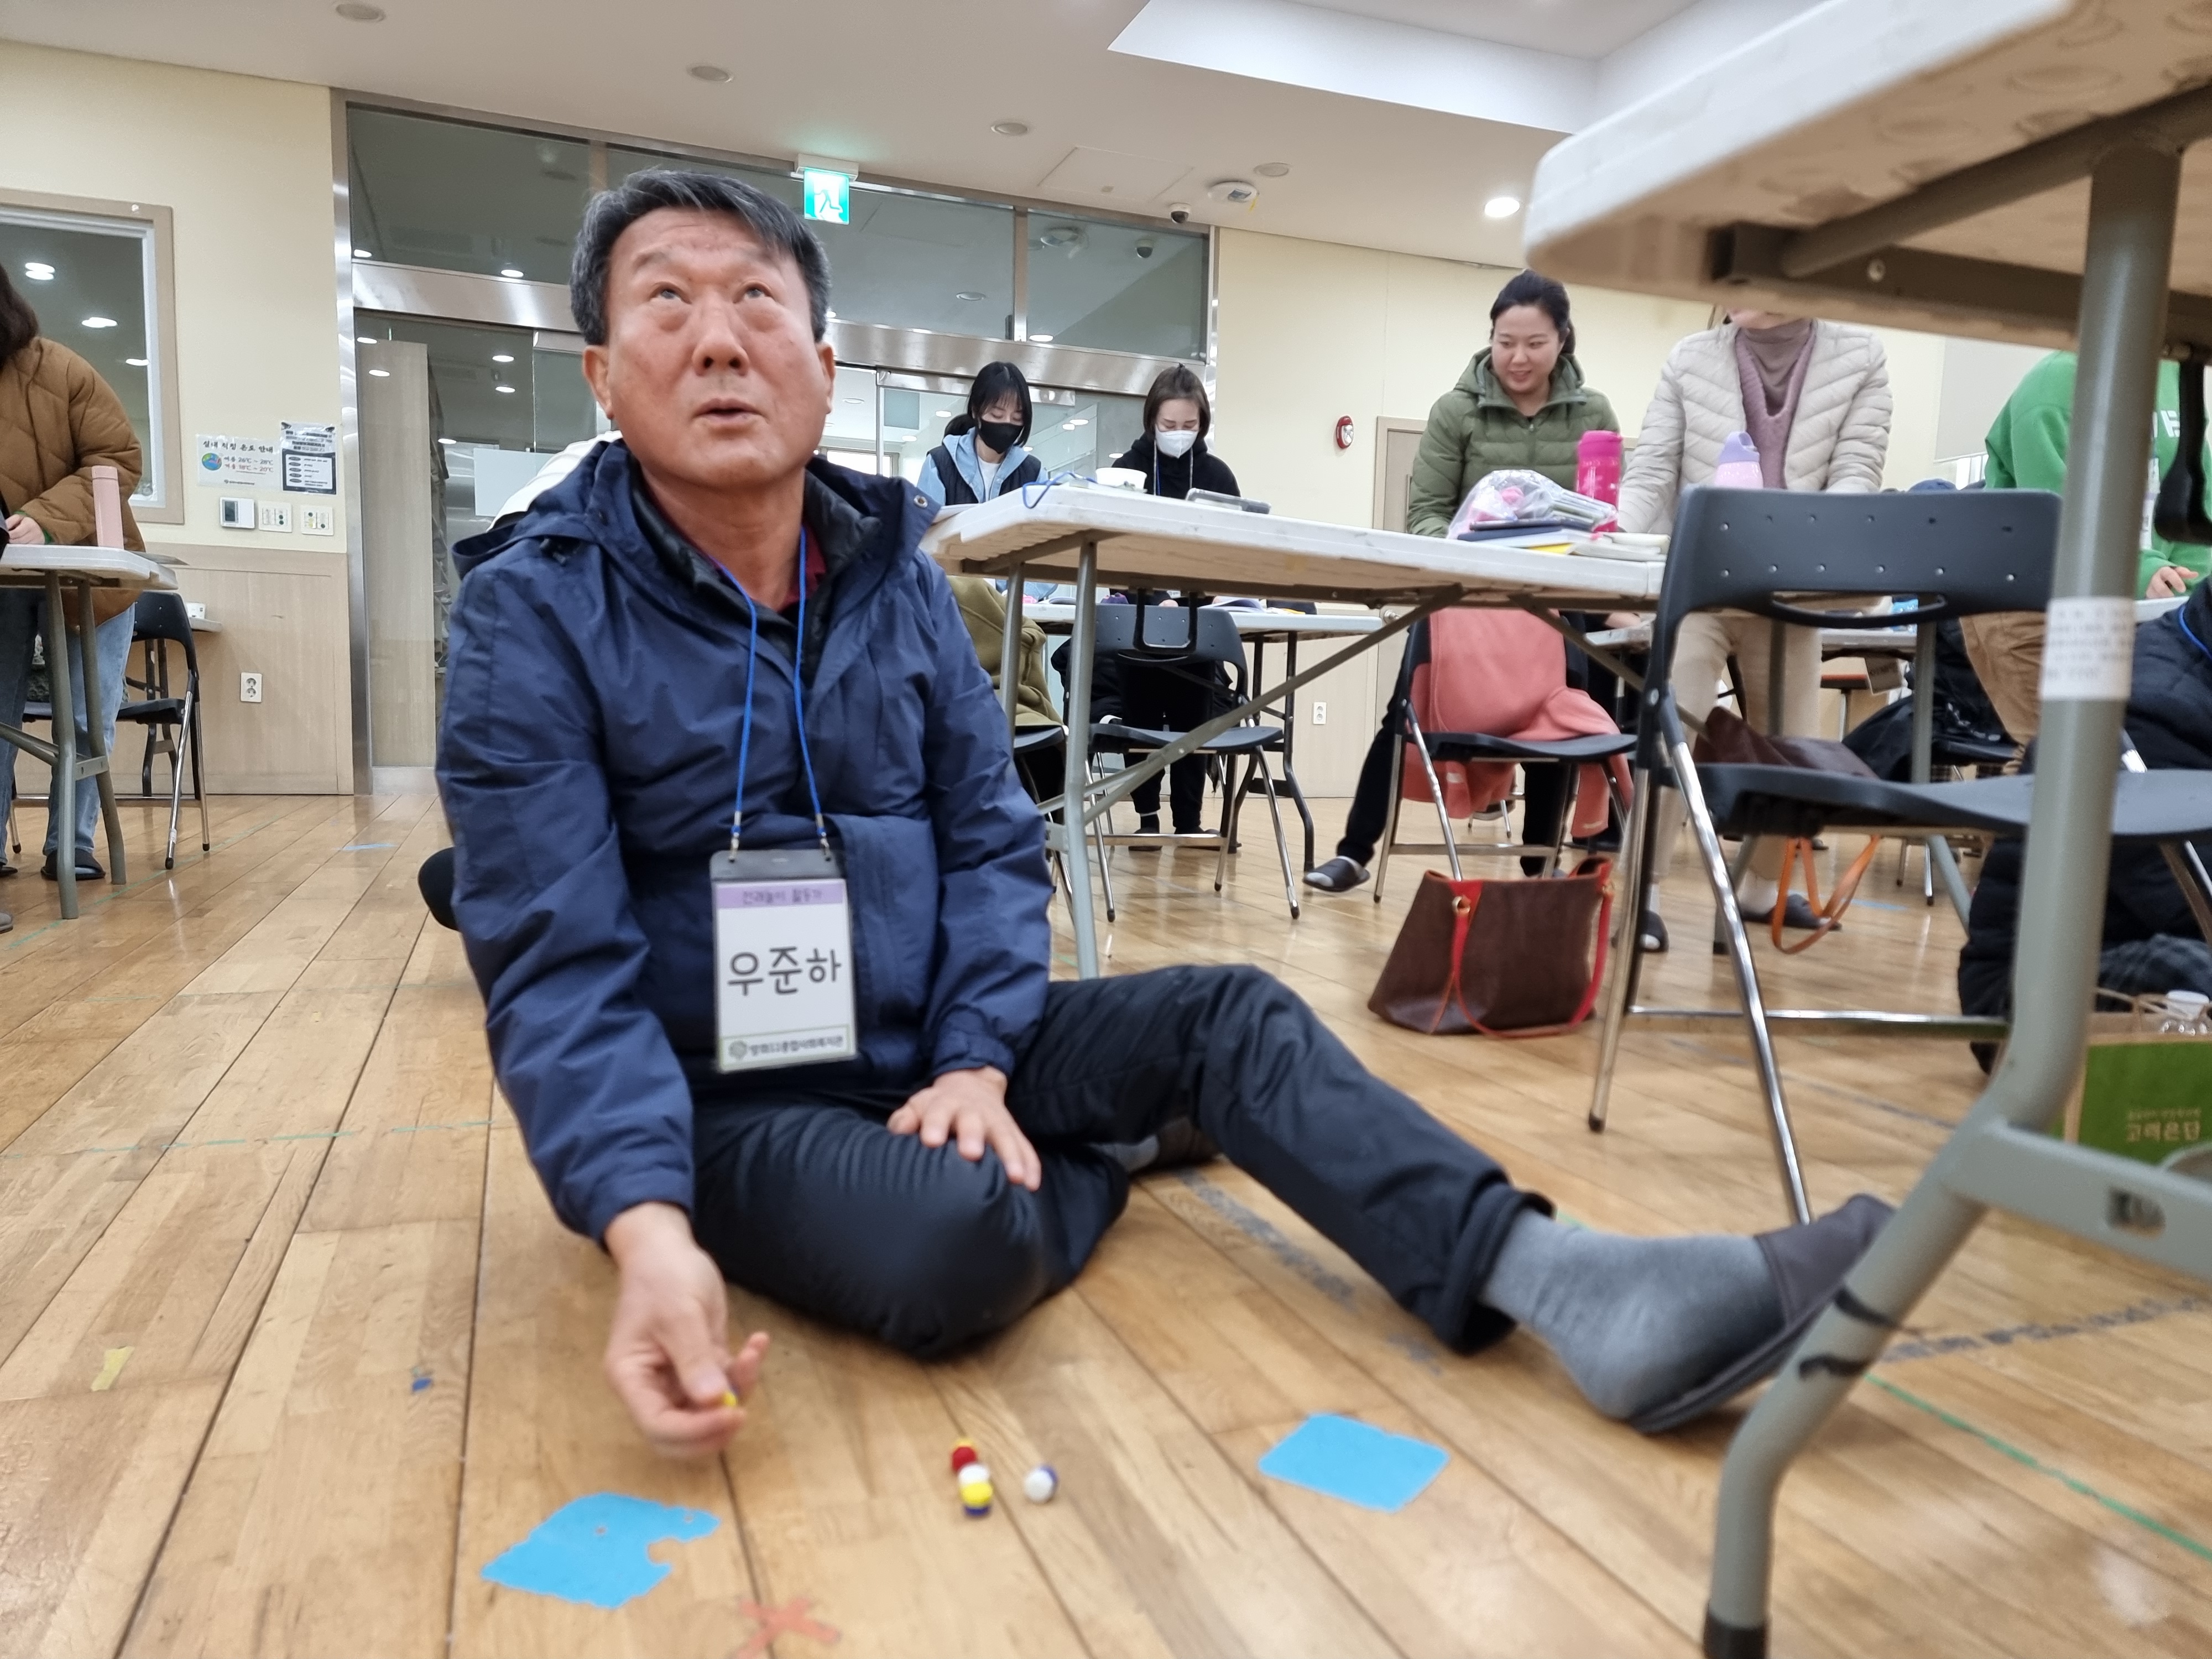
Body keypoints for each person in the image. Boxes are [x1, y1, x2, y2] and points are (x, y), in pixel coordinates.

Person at [434, 167, 1886, 1459]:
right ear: (603, 376)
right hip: (724, 1097)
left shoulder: (896, 578)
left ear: (819, 366)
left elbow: (991, 842)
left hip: (937, 1042)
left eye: (756, 299)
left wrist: (977, 1062)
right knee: (950, 1243)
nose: (715, 338)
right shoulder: (529, 616)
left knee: (1229, 1014)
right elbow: (557, 967)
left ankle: (1572, 1285)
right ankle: (1127, 1143)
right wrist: (645, 1228)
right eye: (665, 301)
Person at [1306, 270, 1619, 896]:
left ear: (1563, 340)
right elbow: (1425, 513)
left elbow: (1604, 515)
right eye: (1506, 342)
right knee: (1404, 713)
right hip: (1465, 602)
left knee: (1563, 718)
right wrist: (1471, 562)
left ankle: (1541, 865)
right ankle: (1355, 851)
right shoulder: (1456, 412)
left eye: (1535, 343)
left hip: (1558, 602)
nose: (1518, 357)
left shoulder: (1594, 413)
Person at [1614, 307, 1891, 949]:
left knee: (1792, 743)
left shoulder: (1859, 355)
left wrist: (1807, 550)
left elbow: (1856, 474)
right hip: (1702, 579)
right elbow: (1651, 473)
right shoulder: (1691, 357)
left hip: (1792, 583)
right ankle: (1641, 894)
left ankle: (1760, 891)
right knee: (1673, 724)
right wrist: (1609, 535)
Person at [1959, 575, 2212, 1034]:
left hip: (2160, 940)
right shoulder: (2150, 708)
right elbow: (2192, 901)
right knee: (2195, 971)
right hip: (2035, 993)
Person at [1961, 351, 2208, 747]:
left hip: (2138, 604)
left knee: (2134, 752)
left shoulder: (2176, 377)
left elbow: (2197, 503)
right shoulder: (2052, 386)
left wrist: (2193, 584)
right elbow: (2060, 511)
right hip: (2036, 603)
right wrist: (2141, 570)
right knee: (2057, 755)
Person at [0, 263, 148, 909]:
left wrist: (44, 518)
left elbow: (119, 459)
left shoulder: (61, 370)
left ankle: (73, 841)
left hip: (91, 567)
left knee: (88, 712)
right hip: (4, 576)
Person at [1093, 364, 1241, 836]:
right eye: (1169, 424)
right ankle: (1146, 819)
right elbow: (1112, 550)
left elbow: (1232, 548)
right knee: (1141, 722)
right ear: (1152, 421)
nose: (1179, 433)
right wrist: (1157, 597)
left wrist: (1196, 597)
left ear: (1203, 424)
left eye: (1189, 425)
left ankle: (1190, 822)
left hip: (1196, 622)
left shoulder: (1217, 475)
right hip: (1140, 620)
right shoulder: (1126, 471)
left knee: (1191, 724)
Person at [916, 361, 1041, 509]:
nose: (1007, 423)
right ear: (976, 411)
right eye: (997, 415)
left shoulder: (1034, 472)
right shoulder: (939, 465)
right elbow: (923, 521)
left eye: (1017, 418)